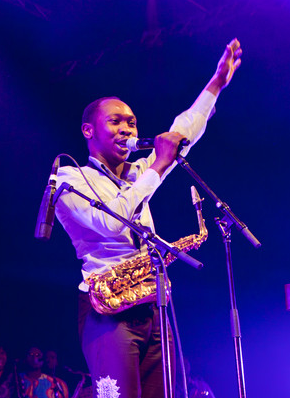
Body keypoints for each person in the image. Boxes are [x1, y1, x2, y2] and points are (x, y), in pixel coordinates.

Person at [54, 39, 242, 398]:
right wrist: (157, 165)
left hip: (152, 303)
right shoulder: (71, 178)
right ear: (88, 131)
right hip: (106, 308)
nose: (127, 128)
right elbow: (113, 221)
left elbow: (182, 131)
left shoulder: (139, 172)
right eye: (116, 121)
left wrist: (216, 83)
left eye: (132, 122)